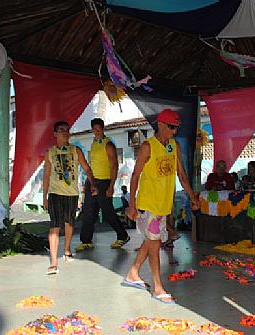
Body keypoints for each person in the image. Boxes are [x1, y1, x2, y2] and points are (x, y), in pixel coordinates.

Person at [123, 108, 199, 304]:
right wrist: (132, 205)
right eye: (172, 127)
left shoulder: (174, 146)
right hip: (149, 205)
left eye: (176, 128)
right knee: (155, 244)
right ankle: (158, 288)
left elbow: (181, 175)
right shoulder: (148, 147)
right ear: (161, 125)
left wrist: (192, 197)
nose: (174, 132)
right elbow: (135, 176)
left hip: (163, 206)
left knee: (150, 241)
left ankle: (133, 274)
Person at [43, 121, 96, 275]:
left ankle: (67, 249)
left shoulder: (76, 150)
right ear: (55, 134)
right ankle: (53, 262)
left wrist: (92, 183)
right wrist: (45, 197)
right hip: (55, 193)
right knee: (54, 226)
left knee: (69, 223)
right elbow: (46, 176)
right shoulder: (50, 153)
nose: (65, 133)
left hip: (72, 193)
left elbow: (86, 167)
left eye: (67, 130)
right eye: (61, 130)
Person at [76, 118, 130, 252]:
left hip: (105, 182)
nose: (97, 131)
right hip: (93, 181)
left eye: (99, 128)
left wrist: (111, 186)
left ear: (103, 128)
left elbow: (114, 166)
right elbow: (92, 164)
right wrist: (88, 182)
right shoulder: (94, 143)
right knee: (88, 211)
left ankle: (122, 236)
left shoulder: (108, 145)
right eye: (94, 129)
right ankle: (86, 241)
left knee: (108, 212)